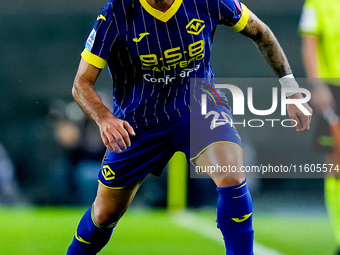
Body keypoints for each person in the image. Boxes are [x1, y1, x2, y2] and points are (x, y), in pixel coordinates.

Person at [67, 0, 312, 254]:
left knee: (232, 176)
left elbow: (261, 33)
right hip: (138, 123)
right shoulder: (117, 12)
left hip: (198, 106)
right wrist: (105, 118)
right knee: (105, 214)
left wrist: (292, 90)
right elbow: (81, 83)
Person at [299, 1, 340, 254]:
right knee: (336, 163)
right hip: (334, 90)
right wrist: (318, 86)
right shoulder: (317, 3)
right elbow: (310, 46)